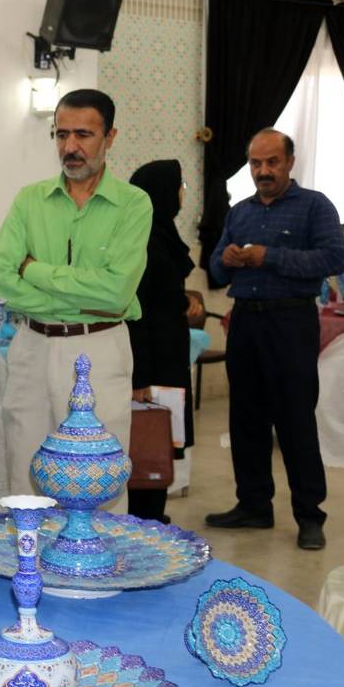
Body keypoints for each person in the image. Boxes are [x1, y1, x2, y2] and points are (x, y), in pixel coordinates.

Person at [0, 89, 151, 498]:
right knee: (24, 470)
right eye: (62, 135)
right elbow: (0, 283)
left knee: (98, 478)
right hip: (32, 346)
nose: (70, 147)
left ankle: (92, 545)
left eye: (83, 135)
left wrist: (34, 270)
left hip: (99, 347)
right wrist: (78, 299)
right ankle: (28, 542)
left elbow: (115, 293)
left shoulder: (133, 204)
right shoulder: (30, 200)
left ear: (110, 137)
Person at [206, 128, 344, 550]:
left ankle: (310, 515)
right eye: (256, 163)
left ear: (289, 163)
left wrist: (270, 256)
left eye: (272, 162)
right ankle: (253, 506)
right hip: (245, 323)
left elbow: (333, 258)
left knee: (295, 420)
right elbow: (216, 269)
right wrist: (226, 258)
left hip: (291, 323)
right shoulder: (240, 213)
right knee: (246, 419)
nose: (263, 171)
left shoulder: (315, 206)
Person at [124, 160, 197, 523]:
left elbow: (162, 296)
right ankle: (145, 519)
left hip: (167, 357)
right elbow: (137, 314)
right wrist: (139, 380)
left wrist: (182, 302)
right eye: (179, 185)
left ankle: (153, 515)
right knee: (148, 441)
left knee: (161, 440)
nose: (182, 192)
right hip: (152, 366)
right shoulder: (146, 242)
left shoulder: (160, 235)